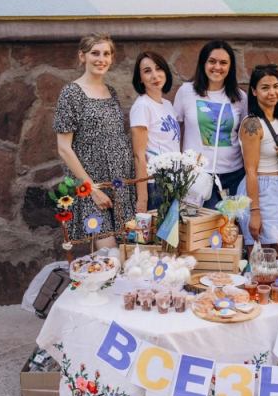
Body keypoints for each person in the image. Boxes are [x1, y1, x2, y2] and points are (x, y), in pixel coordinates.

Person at [54, 32, 134, 249]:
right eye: (95, 53)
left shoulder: (111, 92)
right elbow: (64, 149)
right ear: (82, 56)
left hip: (118, 182)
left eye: (106, 54)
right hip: (90, 185)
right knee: (110, 255)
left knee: (126, 251)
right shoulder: (71, 93)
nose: (102, 59)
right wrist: (92, 190)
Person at [173, 40, 247, 209]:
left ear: (230, 67)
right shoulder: (186, 92)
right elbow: (174, 133)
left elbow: (244, 136)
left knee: (227, 230)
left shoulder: (240, 97)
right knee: (199, 230)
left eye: (223, 63)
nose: (217, 67)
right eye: (212, 61)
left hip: (233, 176)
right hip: (197, 176)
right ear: (203, 63)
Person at [237, 64, 278, 259]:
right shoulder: (252, 123)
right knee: (263, 257)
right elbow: (250, 171)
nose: (272, 92)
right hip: (260, 187)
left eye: (276, 86)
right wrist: (255, 212)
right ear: (253, 91)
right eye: (265, 87)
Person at [129, 50, 179, 212]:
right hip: (155, 184)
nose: (155, 76)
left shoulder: (167, 105)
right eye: (147, 71)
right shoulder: (143, 106)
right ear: (140, 79)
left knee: (174, 237)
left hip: (174, 181)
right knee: (158, 237)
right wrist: (142, 199)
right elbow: (139, 155)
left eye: (158, 69)